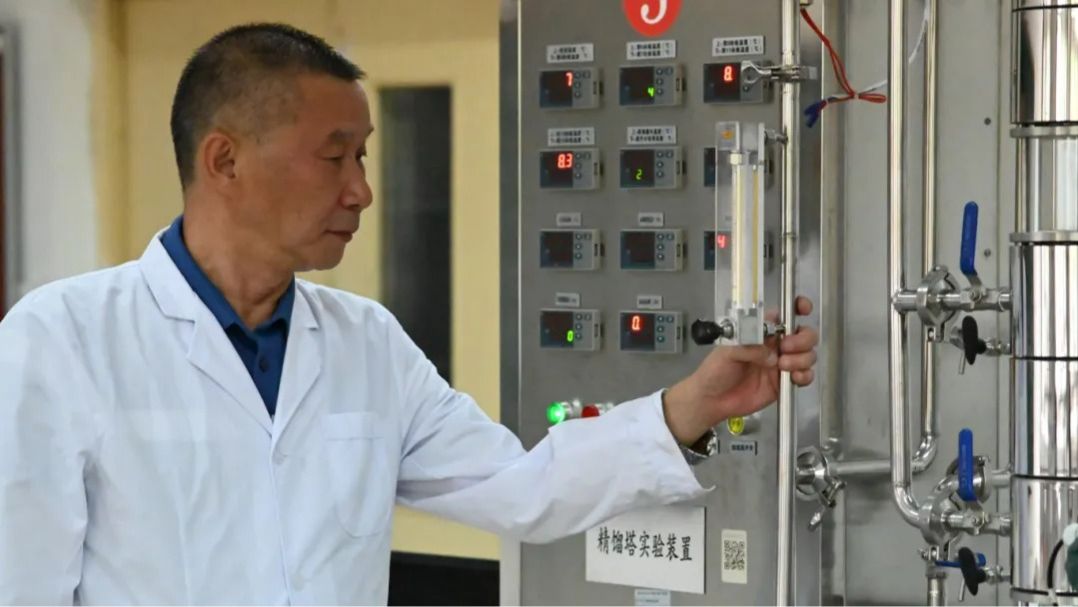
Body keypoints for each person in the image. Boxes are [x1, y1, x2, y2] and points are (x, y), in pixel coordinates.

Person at [0, 23, 818, 605]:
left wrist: (689, 407)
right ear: (224, 160)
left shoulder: (365, 343)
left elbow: (521, 489)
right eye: (334, 157)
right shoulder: (62, 341)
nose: (361, 189)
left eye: (363, 155)